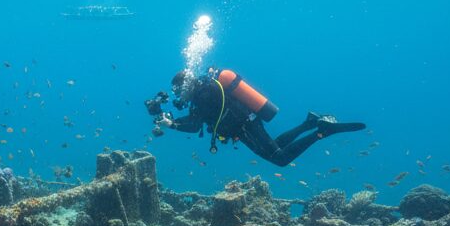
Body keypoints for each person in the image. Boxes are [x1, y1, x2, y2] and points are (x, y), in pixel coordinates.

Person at [145, 68, 364, 167]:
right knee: (275, 147)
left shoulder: (203, 94)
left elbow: (194, 126)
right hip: (247, 122)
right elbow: (197, 119)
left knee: (280, 159)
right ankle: (309, 122)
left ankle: (321, 131)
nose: (178, 96)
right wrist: (172, 122)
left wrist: (171, 124)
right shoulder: (205, 91)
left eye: (177, 90)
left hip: (243, 127)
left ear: (186, 85)